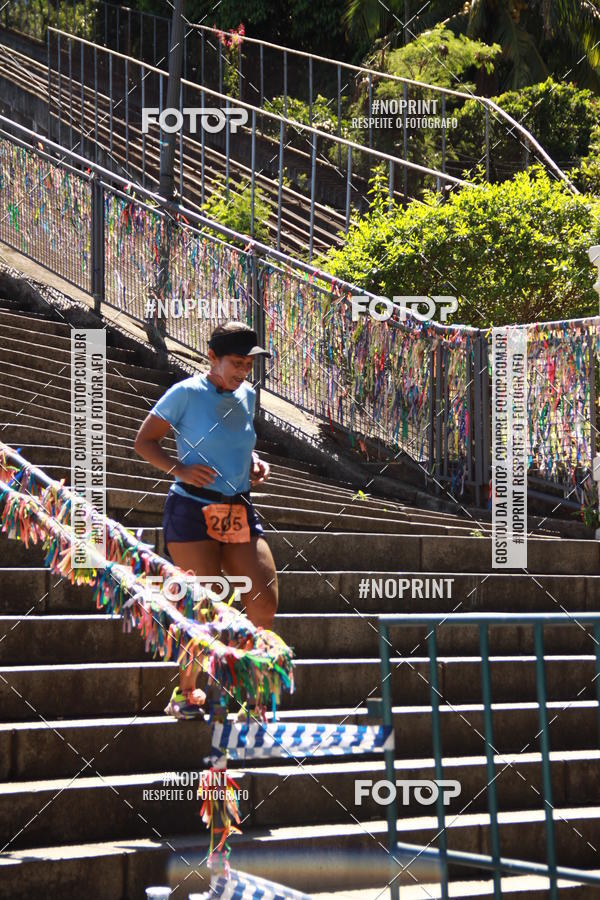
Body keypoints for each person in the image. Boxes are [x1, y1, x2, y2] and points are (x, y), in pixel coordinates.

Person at [134, 321, 278, 719]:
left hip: (237, 508)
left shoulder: (247, 395)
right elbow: (144, 441)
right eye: (236, 363)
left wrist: (253, 463)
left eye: (249, 364)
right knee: (202, 604)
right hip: (191, 510)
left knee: (263, 603)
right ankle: (185, 693)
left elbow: (236, 442)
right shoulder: (185, 393)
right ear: (212, 357)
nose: (243, 372)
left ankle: (253, 697)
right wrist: (178, 469)